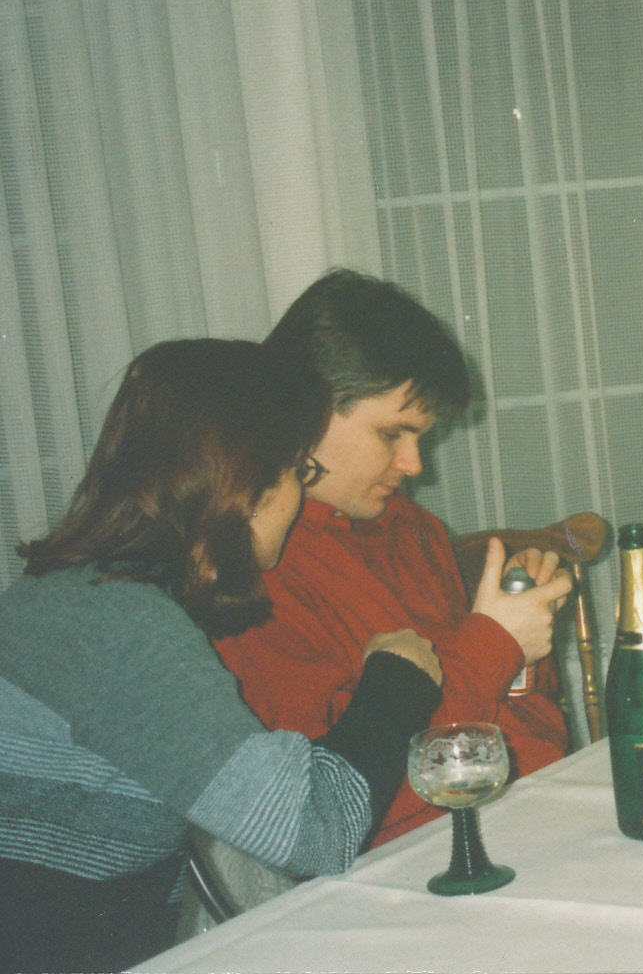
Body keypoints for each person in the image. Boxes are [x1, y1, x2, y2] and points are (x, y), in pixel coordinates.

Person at [0, 339, 444, 974]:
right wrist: (397, 682)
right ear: (249, 483)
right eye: (298, 472)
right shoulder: (114, 624)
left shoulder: (81, 596)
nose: (299, 499)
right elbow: (313, 832)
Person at [213, 269, 573, 849]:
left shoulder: (410, 528)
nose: (414, 465)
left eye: (420, 438)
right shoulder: (255, 565)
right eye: (391, 435)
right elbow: (347, 801)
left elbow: (525, 725)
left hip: (524, 816)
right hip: (410, 857)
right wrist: (496, 643)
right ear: (307, 411)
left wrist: (520, 643)